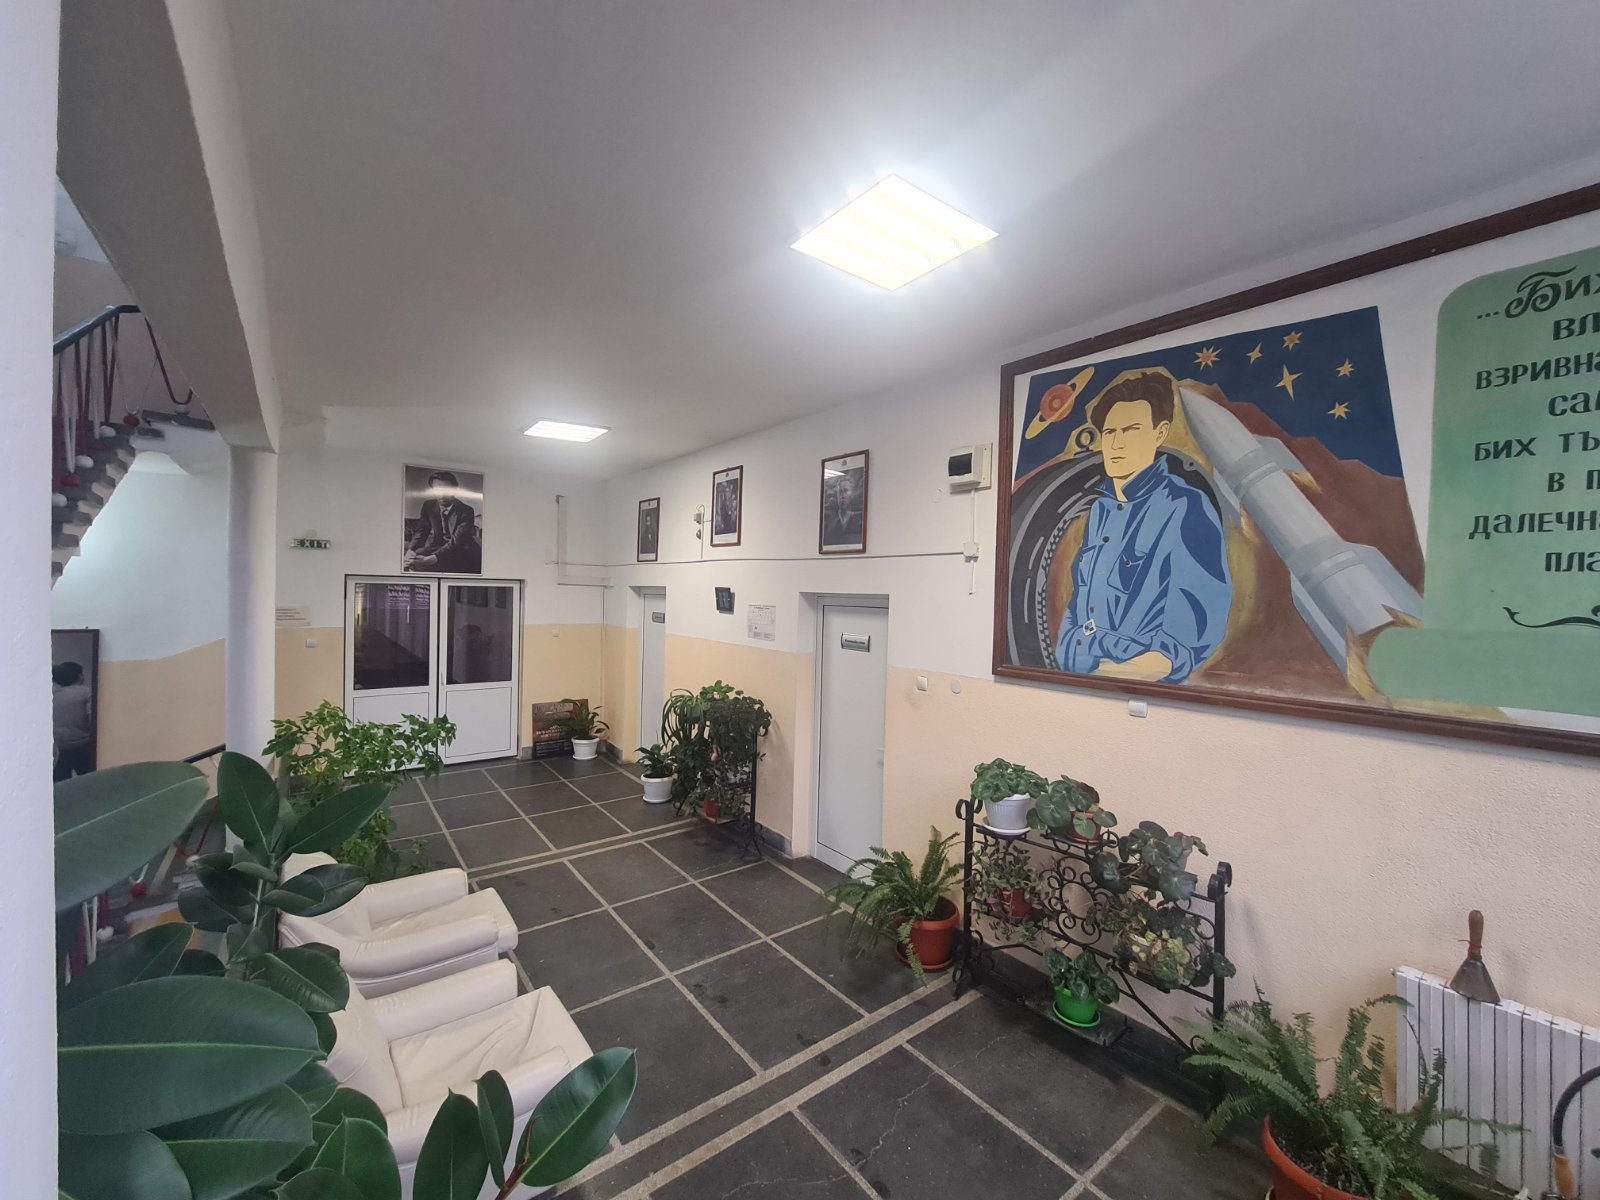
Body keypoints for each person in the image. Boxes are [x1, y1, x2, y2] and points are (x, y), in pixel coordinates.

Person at [1055, 372, 1232, 683]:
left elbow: (1190, 628)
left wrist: (1113, 676)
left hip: (1125, 684)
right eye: (1110, 432)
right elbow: (1081, 598)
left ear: (1158, 433)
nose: (1117, 443)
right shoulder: (1101, 510)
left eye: (1131, 431)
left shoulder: (1185, 506)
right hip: (1074, 676)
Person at [405, 470, 481, 573]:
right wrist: (411, 550)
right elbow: (421, 531)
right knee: (415, 556)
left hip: (462, 550)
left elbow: (457, 541)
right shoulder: (428, 505)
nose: (442, 495)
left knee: (423, 566)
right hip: (439, 547)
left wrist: (433, 558)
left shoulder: (466, 510)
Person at [53, 661, 95, 780]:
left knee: (61, 782)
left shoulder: (52, 695)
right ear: (79, 676)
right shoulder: (86, 692)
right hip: (83, 745)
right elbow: (92, 718)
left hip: (59, 746)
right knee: (89, 780)